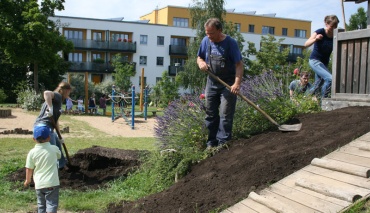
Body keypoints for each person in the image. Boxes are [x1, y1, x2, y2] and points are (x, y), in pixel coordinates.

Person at [197, 18, 243, 149]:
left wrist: (237, 83)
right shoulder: (206, 41)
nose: (208, 36)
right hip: (211, 83)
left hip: (227, 84)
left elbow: (239, 65)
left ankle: (223, 144)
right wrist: (201, 63)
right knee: (210, 114)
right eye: (207, 33)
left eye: (211, 33)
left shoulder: (230, 43)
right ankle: (211, 143)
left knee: (225, 115)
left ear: (219, 30)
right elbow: (199, 56)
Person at [33, 81, 71, 169]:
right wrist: (50, 107)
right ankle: (51, 169)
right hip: (43, 126)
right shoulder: (57, 95)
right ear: (66, 90)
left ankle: (61, 166)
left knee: (58, 145)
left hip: (48, 127)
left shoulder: (59, 101)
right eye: (69, 92)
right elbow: (46, 93)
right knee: (52, 149)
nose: (69, 94)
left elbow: (55, 120)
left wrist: (59, 135)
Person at [24, 125, 61, 213]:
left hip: (39, 184)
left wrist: (27, 180)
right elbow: (59, 155)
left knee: (41, 205)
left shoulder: (32, 152)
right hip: (52, 183)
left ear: (34, 139)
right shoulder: (54, 149)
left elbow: (29, 168)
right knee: (51, 204)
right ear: (49, 137)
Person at [305, 15, 339, 99]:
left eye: (336, 26)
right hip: (315, 61)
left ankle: (305, 98)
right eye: (332, 26)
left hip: (324, 64)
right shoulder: (320, 32)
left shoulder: (336, 34)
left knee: (318, 85)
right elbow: (306, 44)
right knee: (330, 79)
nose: (334, 28)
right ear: (326, 24)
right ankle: (324, 101)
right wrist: (315, 39)